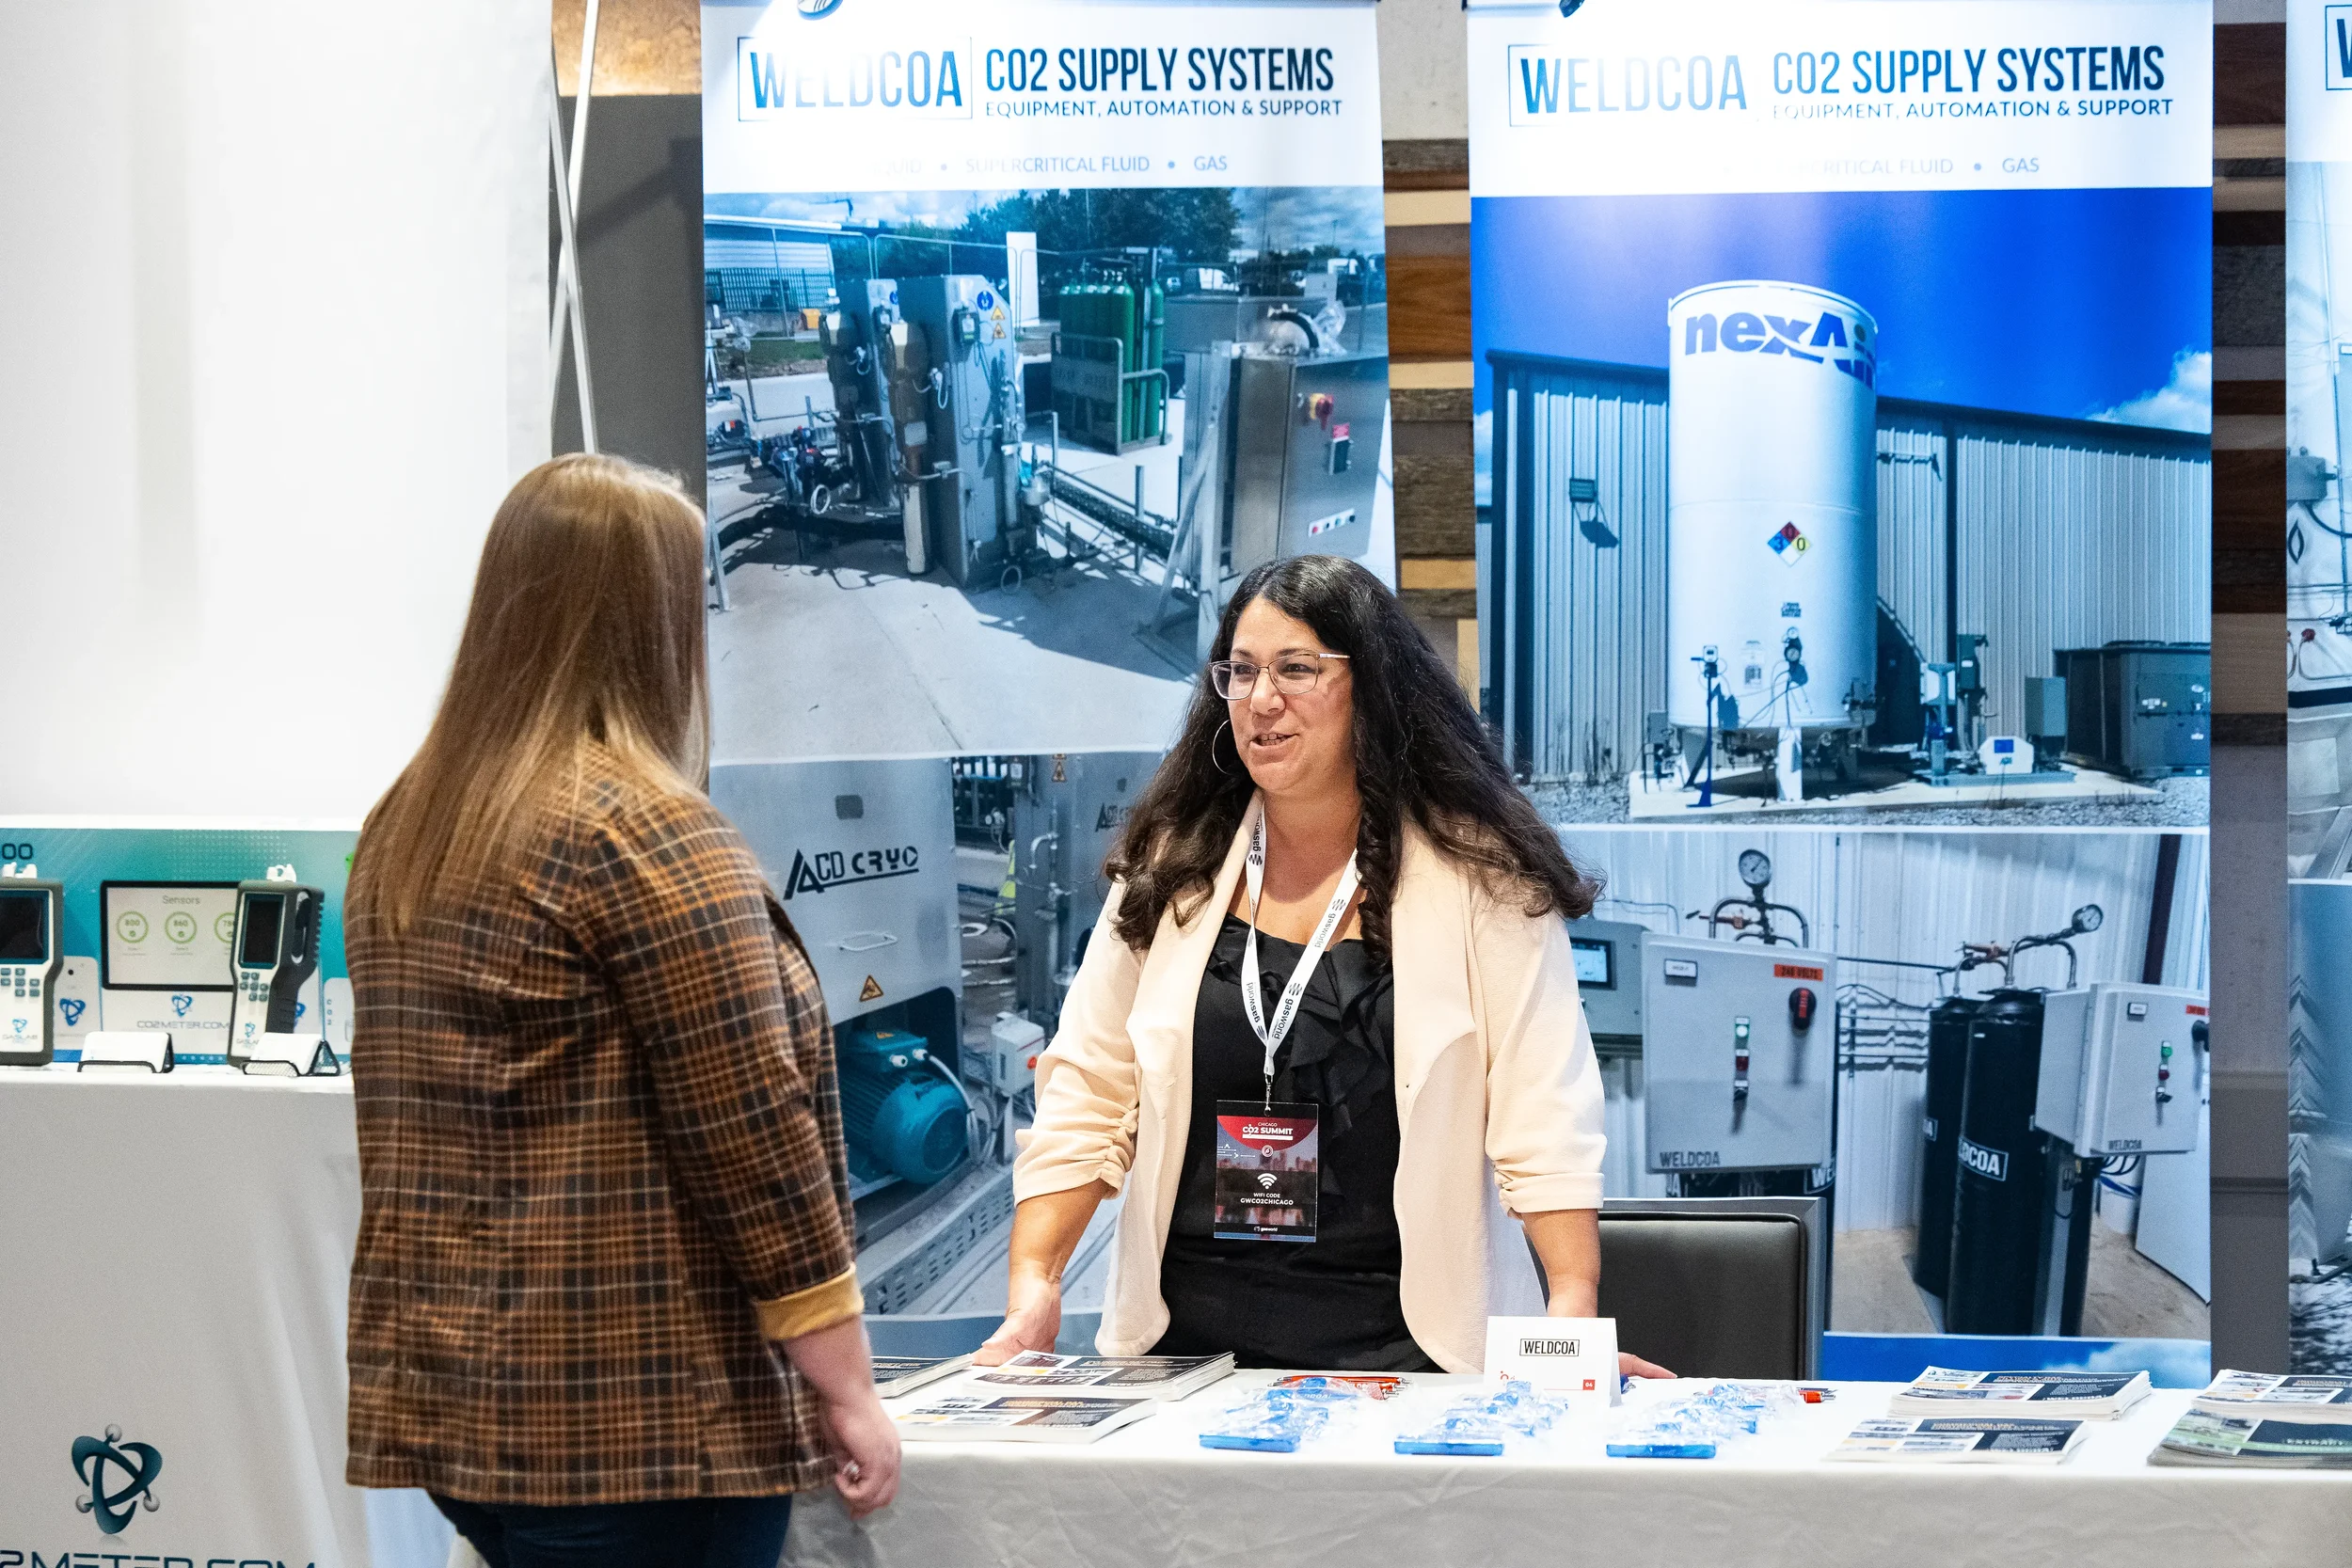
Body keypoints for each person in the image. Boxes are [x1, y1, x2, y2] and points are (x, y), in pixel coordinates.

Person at [342, 454, 898, 1567]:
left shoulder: (412, 822)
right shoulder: (642, 831)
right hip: (636, 1430)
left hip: (465, 1413)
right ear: (645, 621)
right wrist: (850, 1388)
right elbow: (754, 1141)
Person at [979, 554, 1672, 1377]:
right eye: (1240, 672)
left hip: (1409, 1356)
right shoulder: (1174, 865)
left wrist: (1569, 1317)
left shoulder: (1479, 872)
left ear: (1370, 686)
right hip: (1185, 1355)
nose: (1261, 699)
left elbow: (1544, 1108)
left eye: (1296, 669)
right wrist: (1034, 1283)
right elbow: (1089, 1087)